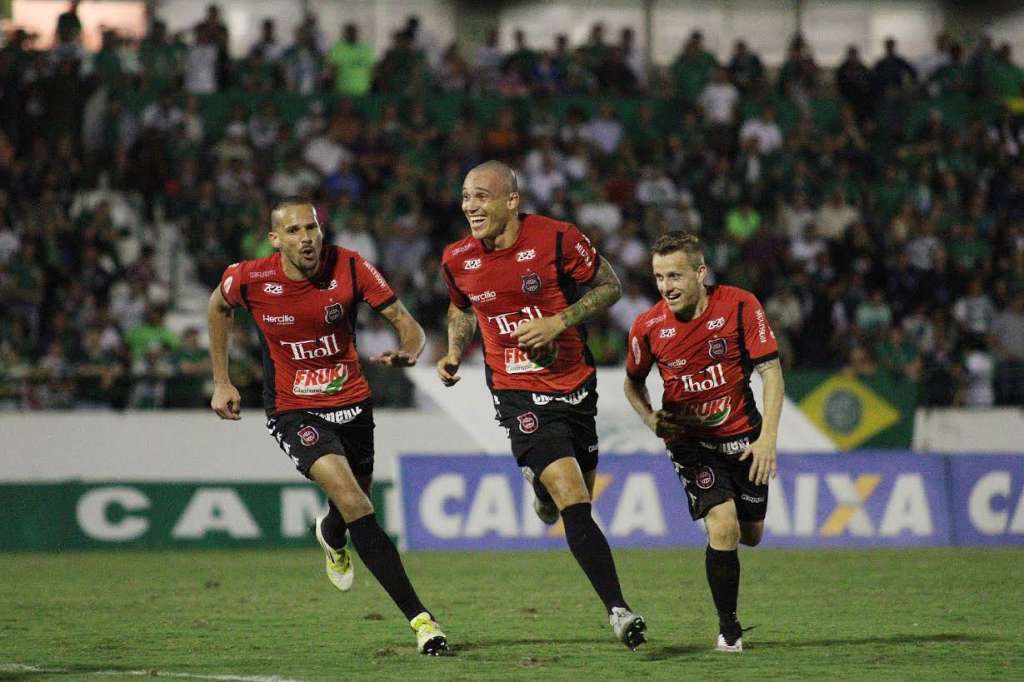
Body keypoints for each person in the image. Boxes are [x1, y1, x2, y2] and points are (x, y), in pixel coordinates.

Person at [208, 198, 448, 655]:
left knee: (355, 500)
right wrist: (222, 381)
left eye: (312, 229)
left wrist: (410, 349)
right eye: (294, 231)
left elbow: (406, 323)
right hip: (292, 408)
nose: (306, 239)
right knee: (356, 501)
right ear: (275, 239)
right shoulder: (249, 277)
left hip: (353, 403)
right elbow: (218, 307)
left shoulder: (352, 266)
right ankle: (422, 621)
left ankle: (332, 534)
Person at [436, 160, 647, 650]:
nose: (470, 206)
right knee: (576, 499)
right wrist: (452, 351)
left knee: (573, 498)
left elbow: (610, 286)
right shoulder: (457, 259)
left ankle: (541, 494)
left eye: (481, 196)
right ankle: (619, 610)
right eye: (465, 196)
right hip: (516, 392)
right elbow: (460, 307)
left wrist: (559, 322)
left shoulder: (557, 239)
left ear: (512, 200)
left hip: (575, 385)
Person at [623, 231, 783, 653]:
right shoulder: (648, 327)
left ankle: (727, 587)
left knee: (751, 533)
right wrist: (650, 417)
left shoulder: (741, 305)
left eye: (674, 275)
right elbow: (631, 383)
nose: (665, 286)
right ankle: (728, 627)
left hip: (745, 441)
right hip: (689, 443)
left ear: (700, 272)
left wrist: (768, 439)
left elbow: (771, 372)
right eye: (658, 277)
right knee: (724, 525)